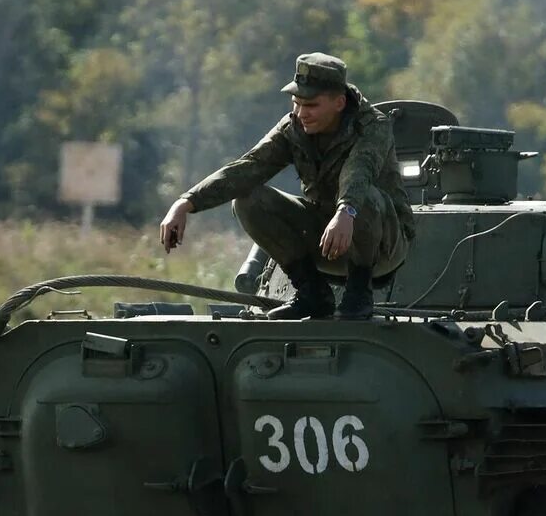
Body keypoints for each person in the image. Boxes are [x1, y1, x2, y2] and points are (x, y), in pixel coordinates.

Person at [158, 52, 415, 320]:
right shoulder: (293, 128)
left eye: (311, 105)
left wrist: (345, 211)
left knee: (364, 198)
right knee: (247, 199)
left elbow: (359, 171)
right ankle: (311, 292)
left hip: (381, 245)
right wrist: (186, 203)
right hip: (326, 238)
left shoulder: (373, 127)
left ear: (339, 103)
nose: (301, 113)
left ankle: (358, 293)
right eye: (296, 103)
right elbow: (249, 167)